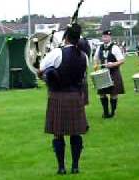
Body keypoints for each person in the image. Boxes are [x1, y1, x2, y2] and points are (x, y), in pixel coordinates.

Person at [39, 23, 88, 175]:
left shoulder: (56, 53)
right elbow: (82, 76)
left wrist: (47, 77)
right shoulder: (84, 56)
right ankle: (75, 166)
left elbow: (41, 70)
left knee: (58, 133)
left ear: (66, 38)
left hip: (58, 96)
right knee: (76, 133)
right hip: (75, 97)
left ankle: (61, 168)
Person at [94, 30, 125, 118]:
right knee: (102, 93)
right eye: (104, 36)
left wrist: (113, 64)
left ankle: (113, 112)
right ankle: (105, 112)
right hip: (103, 73)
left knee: (113, 93)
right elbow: (96, 58)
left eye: (107, 37)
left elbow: (122, 60)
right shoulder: (99, 47)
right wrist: (96, 64)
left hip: (113, 72)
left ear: (110, 37)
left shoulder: (115, 47)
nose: (105, 38)